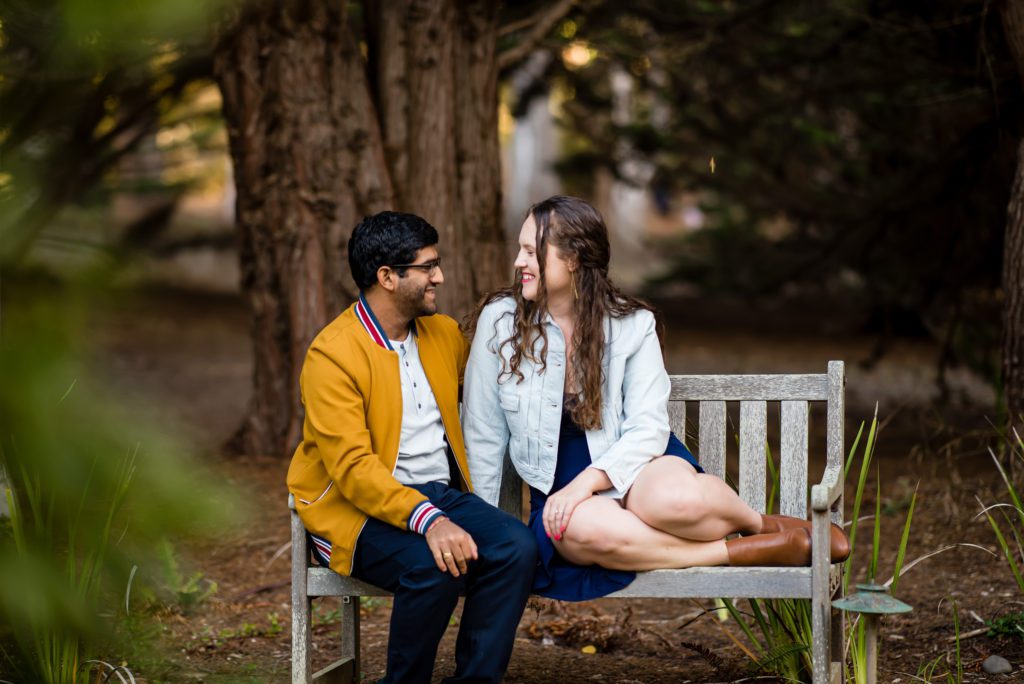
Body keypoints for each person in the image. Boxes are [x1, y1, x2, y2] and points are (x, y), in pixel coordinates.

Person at [462, 195, 849, 602]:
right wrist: (485, 531)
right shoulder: (501, 323)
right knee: (582, 531)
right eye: (519, 250)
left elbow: (648, 427)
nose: (519, 262)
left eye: (530, 251)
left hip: (638, 463)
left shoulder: (632, 324)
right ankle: (737, 551)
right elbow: (484, 435)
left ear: (573, 259)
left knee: (675, 502)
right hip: (558, 489)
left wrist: (585, 485)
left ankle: (761, 526)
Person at [287, 211, 537, 684]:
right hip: (350, 510)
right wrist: (432, 521)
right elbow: (354, 470)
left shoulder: (441, 335)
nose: (439, 277)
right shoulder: (333, 354)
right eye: (428, 267)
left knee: (516, 547)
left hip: (435, 495)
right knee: (433, 565)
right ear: (387, 277)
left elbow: (494, 381)